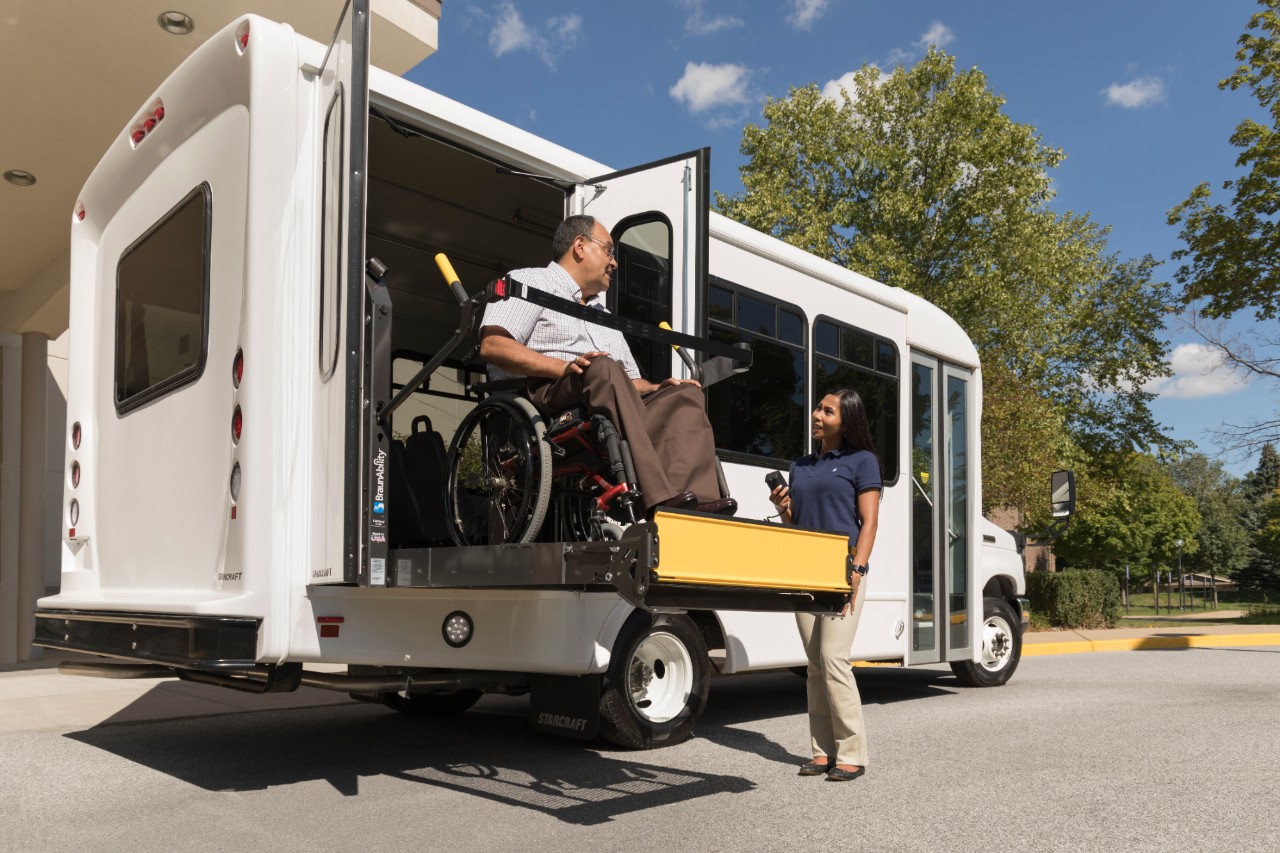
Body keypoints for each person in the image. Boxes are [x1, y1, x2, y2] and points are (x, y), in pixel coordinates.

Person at [478, 215, 736, 516]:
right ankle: (655, 496)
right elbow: (492, 345)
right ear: (580, 246)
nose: (614, 263)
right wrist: (562, 367)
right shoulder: (530, 281)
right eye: (609, 251)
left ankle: (700, 503)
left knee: (685, 396)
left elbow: (628, 381)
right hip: (547, 393)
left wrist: (656, 388)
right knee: (602, 366)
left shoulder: (604, 314)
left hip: (603, 387)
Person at [769, 388, 881, 782]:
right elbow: (795, 524)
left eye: (827, 411)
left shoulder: (861, 461)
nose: (817, 414)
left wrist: (858, 570)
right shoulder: (800, 466)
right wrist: (784, 509)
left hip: (841, 570)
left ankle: (852, 751)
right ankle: (822, 751)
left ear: (845, 420)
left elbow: (869, 522)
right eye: (818, 408)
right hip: (804, 569)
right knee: (815, 664)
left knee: (834, 657)